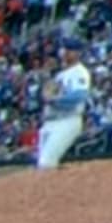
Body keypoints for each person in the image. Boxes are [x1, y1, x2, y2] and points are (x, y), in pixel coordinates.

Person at [37, 40, 94, 172]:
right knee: (42, 165)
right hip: (50, 122)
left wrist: (54, 100)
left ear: (78, 53)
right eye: (65, 49)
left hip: (68, 120)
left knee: (46, 163)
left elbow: (79, 97)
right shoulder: (60, 74)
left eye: (70, 50)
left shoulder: (80, 72)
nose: (66, 52)